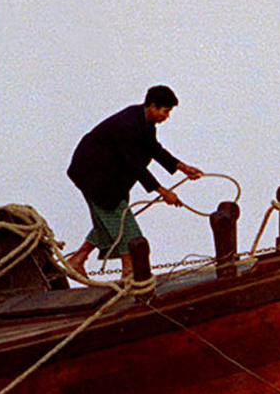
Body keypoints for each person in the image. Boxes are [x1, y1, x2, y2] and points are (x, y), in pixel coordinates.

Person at [64, 85, 203, 277]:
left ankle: (77, 260)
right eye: (166, 111)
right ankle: (128, 273)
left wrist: (183, 167)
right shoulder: (128, 124)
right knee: (127, 228)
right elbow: (134, 165)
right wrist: (164, 192)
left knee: (111, 219)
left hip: (110, 177)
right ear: (153, 106)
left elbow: (154, 148)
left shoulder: (144, 121)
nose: (167, 116)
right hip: (93, 174)